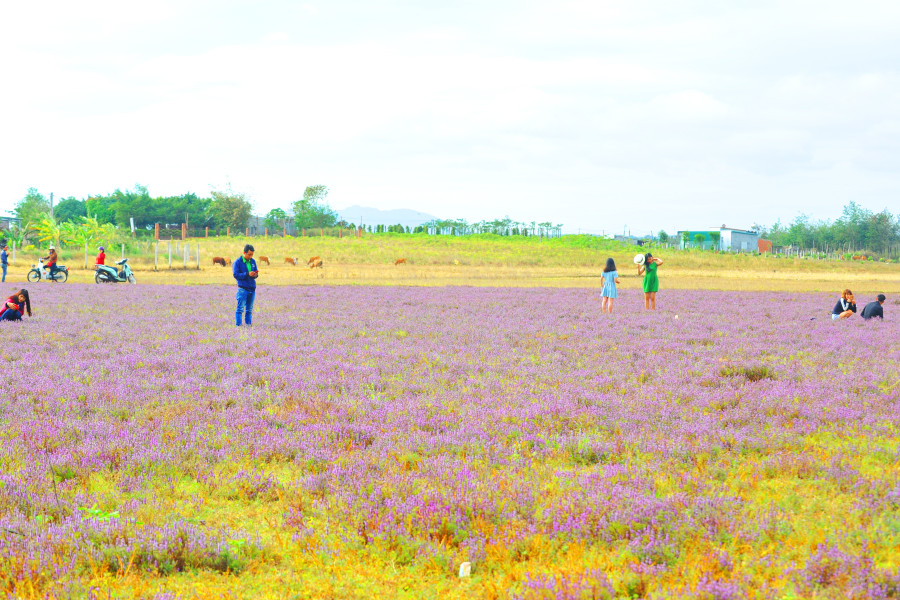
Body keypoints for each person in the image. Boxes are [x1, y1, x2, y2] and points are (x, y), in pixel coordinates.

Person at [232, 244, 258, 326]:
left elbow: (256, 273)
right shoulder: (237, 262)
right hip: (243, 289)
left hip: (252, 288)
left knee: (249, 310)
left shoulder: (253, 261)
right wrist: (247, 274)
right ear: (244, 253)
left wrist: (255, 275)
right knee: (240, 309)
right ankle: (239, 326)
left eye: (252, 255)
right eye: (249, 254)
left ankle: (248, 326)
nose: (250, 256)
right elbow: (236, 275)